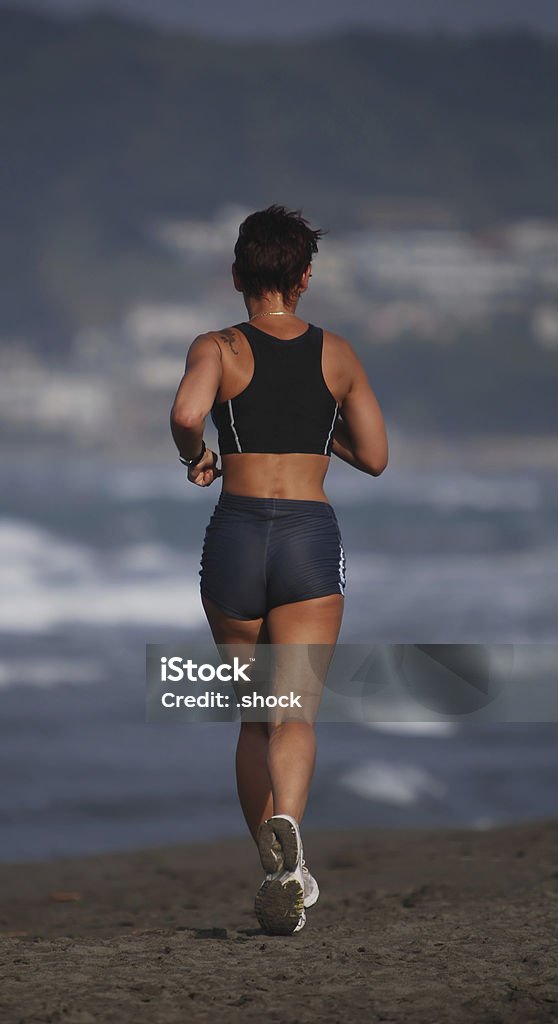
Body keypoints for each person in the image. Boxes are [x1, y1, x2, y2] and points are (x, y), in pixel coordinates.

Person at [169, 204, 388, 935]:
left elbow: (184, 414)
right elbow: (377, 457)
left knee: (253, 718)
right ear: (305, 277)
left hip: (233, 536)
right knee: (296, 712)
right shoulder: (338, 353)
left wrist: (195, 456)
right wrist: (323, 433)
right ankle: (290, 838)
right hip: (306, 538)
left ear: (237, 275)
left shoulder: (217, 346)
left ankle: (271, 867)